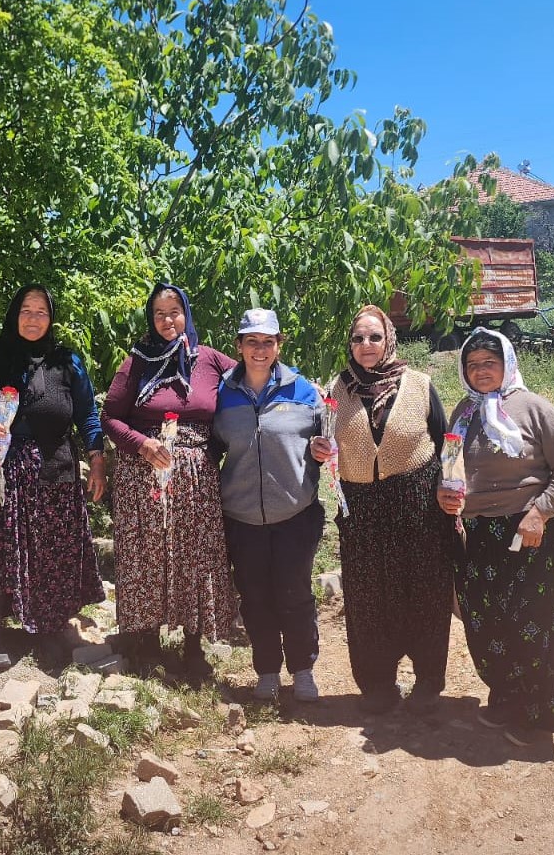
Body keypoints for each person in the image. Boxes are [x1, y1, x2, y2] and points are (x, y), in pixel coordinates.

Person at [437, 327, 554, 744]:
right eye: (473, 365)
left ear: (507, 364)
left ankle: (535, 717)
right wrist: (446, 494)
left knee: (533, 624)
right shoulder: (462, 412)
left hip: (531, 531)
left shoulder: (534, 408)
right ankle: (506, 698)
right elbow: (450, 469)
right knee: (487, 623)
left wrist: (540, 512)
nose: (481, 371)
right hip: (480, 533)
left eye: (490, 363)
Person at [0, 284, 106, 664]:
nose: (33, 318)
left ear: (51, 317)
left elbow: (87, 413)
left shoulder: (66, 361)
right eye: (26, 310)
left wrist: (97, 457)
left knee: (51, 550)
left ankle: (50, 630)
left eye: (41, 311)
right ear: (14, 314)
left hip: (51, 468)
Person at [102, 284, 240, 679]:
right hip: (143, 474)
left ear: (186, 314)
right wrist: (142, 444)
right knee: (147, 555)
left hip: (196, 477)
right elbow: (110, 416)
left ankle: (194, 647)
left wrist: (303, 388)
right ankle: (147, 644)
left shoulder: (210, 360)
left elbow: (255, 375)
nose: (167, 320)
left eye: (174, 311)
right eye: (159, 313)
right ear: (151, 318)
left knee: (196, 556)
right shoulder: (136, 363)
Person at [325, 304, 457, 715]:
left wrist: (450, 491)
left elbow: (446, 442)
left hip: (417, 504)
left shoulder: (419, 384)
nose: (366, 345)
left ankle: (428, 682)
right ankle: (378, 684)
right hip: (361, 510)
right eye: (358, 338)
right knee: (367, 598)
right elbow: (325, 443)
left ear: (389, 340)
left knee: (424, 593)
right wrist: (318, 453)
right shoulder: (338, 389)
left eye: (374, 337)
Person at [214, 308, 330, 703]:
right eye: (251, 341)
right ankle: (266, 671)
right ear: (239, 346)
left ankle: (303, 669)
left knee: (294, 594)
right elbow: (213, 450)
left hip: (294, 514)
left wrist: (321, 452)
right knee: (255, 596)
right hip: (242, 518)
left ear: (279, 345)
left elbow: (324, 442)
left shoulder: (303, 390)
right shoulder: (223, 394)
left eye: (267, 341)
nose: (259, 349)